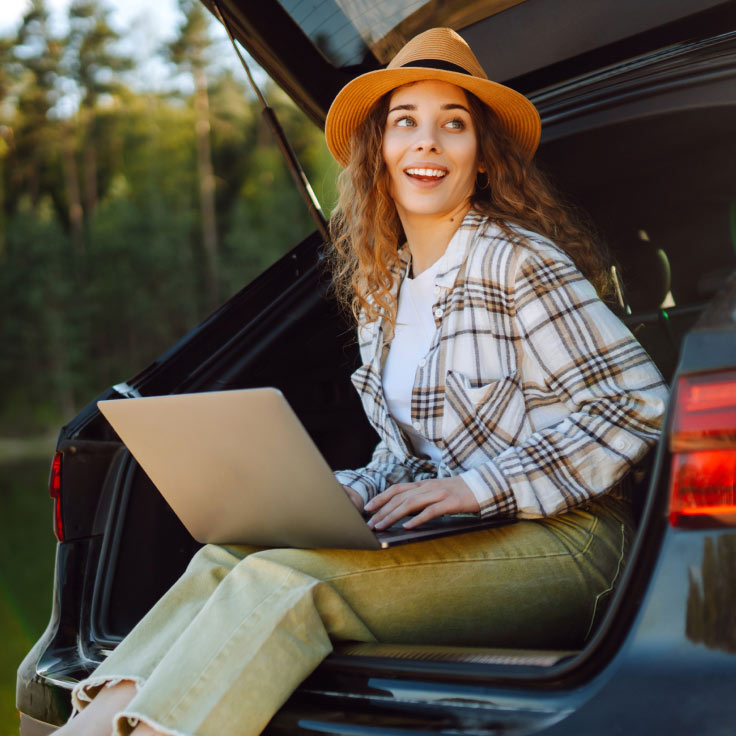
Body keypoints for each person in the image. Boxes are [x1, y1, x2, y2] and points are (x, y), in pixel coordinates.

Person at [56, 27, 668, 736]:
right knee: (225, 557)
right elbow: (409, 458)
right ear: (380, 150)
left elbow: (635, 402)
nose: (427, 143)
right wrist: (349, 493)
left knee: (278, 584)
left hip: (572, 543)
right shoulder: (385, 294)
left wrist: (480, 486)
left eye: (454, 125)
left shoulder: (517, 261)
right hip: (469, 537)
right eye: (405, 122)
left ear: (483, 159)